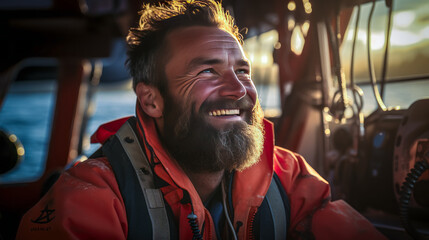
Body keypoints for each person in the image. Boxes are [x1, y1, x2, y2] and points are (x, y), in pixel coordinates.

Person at [17, 1, 386, 239]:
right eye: (208, 72)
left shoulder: (289, 176)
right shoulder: (93, 196)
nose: (239, 90)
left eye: (243, 71)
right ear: (151, 100)